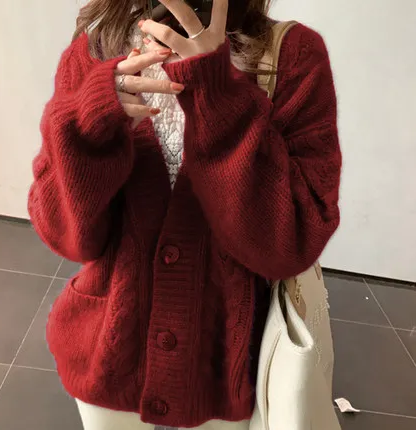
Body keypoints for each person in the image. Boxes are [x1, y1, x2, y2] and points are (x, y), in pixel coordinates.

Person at [28, 0, 341, 429]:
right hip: (107, 350)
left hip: (226, 366)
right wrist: (88, 125)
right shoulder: (96, 49)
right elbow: (63, 234)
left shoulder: (293, 56)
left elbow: (289, 246)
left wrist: (218, 97)